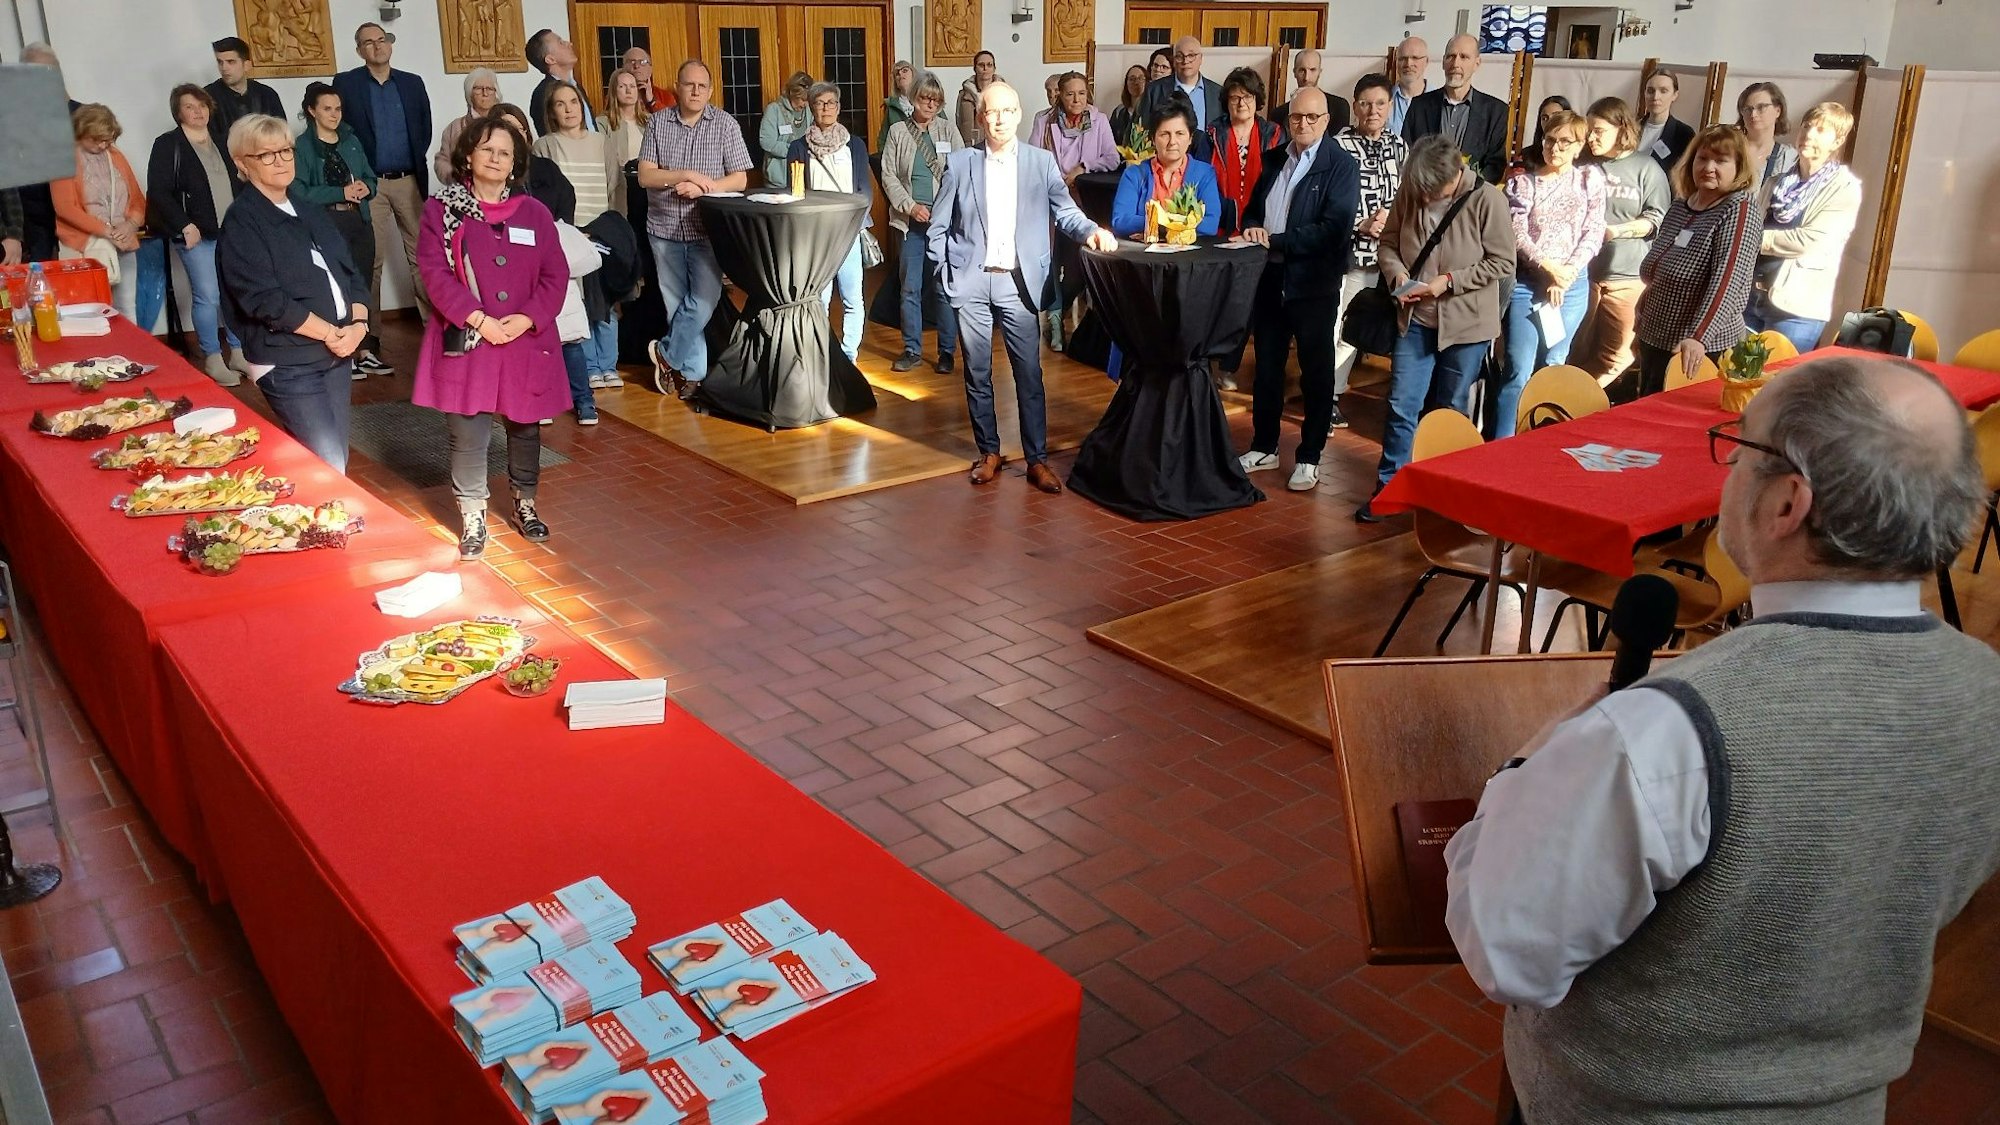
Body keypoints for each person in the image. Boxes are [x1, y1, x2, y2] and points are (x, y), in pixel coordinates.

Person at [1445, 352, 2000, 1124]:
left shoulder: (1670, 731)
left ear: (1788, 502)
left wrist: (1524, 768)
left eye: (1739, 447)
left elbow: (1507, 950)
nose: (1729, 466)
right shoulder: (1987, 691)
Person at [927, 80, 1116, 493]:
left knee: (1029, 373)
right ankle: (989, 452)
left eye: (1007, 111)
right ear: (981, 118)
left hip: (1019, 283)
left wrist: (1091, 231)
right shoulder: (959, 163)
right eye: (991, 112)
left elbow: (1065, 212)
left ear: (1018, 114)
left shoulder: (1040, 162)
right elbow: (938, 226)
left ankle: (1036, 460)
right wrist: (945, 274)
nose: (999, 119)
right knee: (977, 373)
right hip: (971, 281)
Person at [416, 115, 570, 559]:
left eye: (505, 152)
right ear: (468, 155)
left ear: (515, 163)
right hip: (470, 337)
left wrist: (527, 319)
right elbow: (434, 273)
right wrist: (479, 319)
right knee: (467, 431)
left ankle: (525, 504)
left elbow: (555, 275)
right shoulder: (441, 210)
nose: (496, 158)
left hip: (524, 339)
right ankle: (473, 515)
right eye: (487, 149)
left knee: (525, 427)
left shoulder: (535, 213)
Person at [1358, 134, 1514, 522]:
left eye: (1433, 192)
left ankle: (1444, 494)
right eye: (1419, 191)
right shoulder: (1412, 190)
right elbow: (1388, 244)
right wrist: (1397, 276)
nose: (1424, 199)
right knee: (1401, 405)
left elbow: (1502, 262)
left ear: (1455, 175)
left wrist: (1450, 281)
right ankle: (1390, 490)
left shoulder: (1487, 200)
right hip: (1414, 320)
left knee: (1451, 408)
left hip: (1467, 326)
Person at [216, 114, 369, 473]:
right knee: (328, 462)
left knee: (336, 460)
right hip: (288, 359)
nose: (281, 160)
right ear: (242, 163)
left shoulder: (307, 208)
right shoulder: (243, 221)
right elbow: (265, 300)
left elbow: (350, 272)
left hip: (337, 351)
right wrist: (331, 333)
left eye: (285, 150)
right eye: (266, 154)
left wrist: (359, 326)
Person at [1234, 88, 1360, 493]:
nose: (1302, 124)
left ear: (1326, 121)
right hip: (1270, 280)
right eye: (1295, 117)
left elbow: (1333, 230)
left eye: (1311, 117)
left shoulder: (1341, 166)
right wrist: (1252, 227)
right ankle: (1264, 447)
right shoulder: (1274, 158)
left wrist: (1275, 241)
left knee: (1316, 373)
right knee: (1267, 369)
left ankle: (1309, 457)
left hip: (1313, 285)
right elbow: (1253, 210)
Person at [639, 60, 752, 401]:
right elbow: (646, 176)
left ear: (711, 90)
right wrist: (685, 174)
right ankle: (693, 374)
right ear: (677, 87)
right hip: (664, 227)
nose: (696, 91)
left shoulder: (725, 124)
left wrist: (704, 188)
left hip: (706, 229)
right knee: (676, 303)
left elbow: (740, 178)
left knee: (704, 300)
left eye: (702, 86)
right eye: (689, 84)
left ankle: (666, 354)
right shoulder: (658, 122)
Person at [1492, 108, 1603, 439]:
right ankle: (1502, 446)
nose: (1555, 147)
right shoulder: (1523, 184)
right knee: (1518, 369)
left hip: (1572, 286)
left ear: (1580, 145)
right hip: (1529, 285)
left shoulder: (1590, 179)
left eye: (1565, 142)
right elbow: (1517, 235)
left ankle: (1540, 443)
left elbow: (1594, 230)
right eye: (1550, 140)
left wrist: (1566, 273)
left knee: (1554, 363)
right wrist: (1550, 270)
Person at [1632, 125, 1761, 398]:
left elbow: (1727, 282)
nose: (1708, 167)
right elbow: (1657, 272)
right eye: (1702, 158)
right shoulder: (1681, 206)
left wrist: (1699, 336)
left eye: (1721, 160)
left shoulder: (1739, 209)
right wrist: (1641, 327)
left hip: (1701, 350)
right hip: (1656, 340)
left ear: (1738, 168)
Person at [147, 85, 251, 387]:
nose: (198, 111)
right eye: (189, 107)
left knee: (233, 293)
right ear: (178, 112)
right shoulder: (169, 144)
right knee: (208, 296)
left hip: (229, 231)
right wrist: (184, 225)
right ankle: (213, 358)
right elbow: (159, 192)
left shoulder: (222, 140)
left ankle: (238, 353)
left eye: (202, 105)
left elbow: (240, 183)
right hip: (195, 234)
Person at [1744, 102, 1862, 355]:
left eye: (1820, 130)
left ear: (1837, 141)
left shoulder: (1844, 187)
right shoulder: (1776, 182)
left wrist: (1753, 239)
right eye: (1806, 127)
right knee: (1736, 375)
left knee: (1779, 378)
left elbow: (1809, 241)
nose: (1809, 134)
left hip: (1796, 309)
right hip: (1750, 297)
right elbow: (1750, 224)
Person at [333, 23, 433, 322]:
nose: (377, 46)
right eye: (368, 42)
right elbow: (340, 130)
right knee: (371, 259)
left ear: (390, 43)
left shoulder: (412, 83)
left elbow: (424, 127)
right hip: (370, 184)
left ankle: (434, 330)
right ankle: (369, 334)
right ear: (359, 50)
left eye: (382, 39)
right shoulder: (346, 84)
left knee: (422, 256)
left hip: (408, 181)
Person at [1571, 96, 1668, 386]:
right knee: (1574, 350)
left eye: (1599, 131)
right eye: (1588, 130)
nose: (1591, 137)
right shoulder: (1582, 165)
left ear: (1621, 129)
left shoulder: (1646, 168)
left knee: (1617, 355)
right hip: (1582, 275)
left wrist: (1616, 231)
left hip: (1627, 278)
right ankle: (1565, 397)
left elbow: (1657, 220)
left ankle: (1581, 400)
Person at [1329, 74, 1409, 418]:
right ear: (1355, 106)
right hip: (1346, 252)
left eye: (1380, 103)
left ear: (1390, 106)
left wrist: (1390, 220)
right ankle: (1325, 397)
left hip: (1386, 254)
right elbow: (1328, 201)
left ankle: (1336, 391)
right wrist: (1361, 223)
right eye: (1365, 103)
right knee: (1336, 326)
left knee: (1360, 328)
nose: (1372, 111)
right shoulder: (1338, 145)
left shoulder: (1399, 146)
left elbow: (1408, 196)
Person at [535, 85, 624, 391]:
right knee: (579, 301)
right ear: (552, 111)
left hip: (600, 231)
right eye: (560, 104)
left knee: (605, 302)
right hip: (568, 233)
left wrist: (611, 228)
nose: (569, 109)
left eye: (573, 102)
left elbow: (614, 187)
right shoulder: (545, 145)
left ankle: (608, 365)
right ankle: (589, 367)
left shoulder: (601, 142)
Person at [293, 82, 383, 382]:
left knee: (362, 283)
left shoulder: (351, 140)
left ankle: (364, 350)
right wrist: (339, 192)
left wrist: (366, 187)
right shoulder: (303, 146)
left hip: (358, 220)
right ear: (312, 111)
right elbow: (299, 191)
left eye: (338, 109)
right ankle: (341, 350)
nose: (334, 114)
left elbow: (371, 178)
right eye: (327, 109)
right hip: (327, 223)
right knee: (335, 286)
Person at [881, 71, 963, 374]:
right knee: (910, 288)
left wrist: (943, 211)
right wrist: (910, 206)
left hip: (943, 224)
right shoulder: (898, 131)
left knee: (942, 288)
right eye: (925, 98)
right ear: (914, 98)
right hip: (910, 224)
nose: (930, 104)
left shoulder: (948, 130)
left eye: (935, 100)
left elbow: (961, 172)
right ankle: (912, 350)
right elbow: (888, 175)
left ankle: (946, 352)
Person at [1030, 70, 1118, 352]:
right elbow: (1033, 158)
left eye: (1081, 93)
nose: (1076, 99)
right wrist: (1056, 178)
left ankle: (1061, 307)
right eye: (1070, 94)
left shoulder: (1099, 120)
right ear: (1060, 95)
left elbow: (1112, 157)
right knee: (1051, 262)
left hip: (1084, 202)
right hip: (1049, 200)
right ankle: (1055, 321)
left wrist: (1084, 168)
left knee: (1078, 267)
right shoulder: (1044, 121)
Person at [788, 82, 871, 364]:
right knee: (819, 299)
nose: (826, 108)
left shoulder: (855, 145)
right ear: (811, 108)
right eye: (819, 103)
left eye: (831, 103)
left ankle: (848, 357)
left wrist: (855, 222)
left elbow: (864, 191)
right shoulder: (798, 148)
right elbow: (796, 193)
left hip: (848, 234)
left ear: (839, 107)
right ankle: (821, 355)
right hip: (816, 237)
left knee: (852, 299)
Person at [51, 104, 146, 322]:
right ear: (81, 132)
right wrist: (107, 231)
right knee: (88, 312)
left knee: (127, 309)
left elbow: (138, 200)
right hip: (85, 245)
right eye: (97, 140)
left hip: (124, 242)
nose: (103, 145)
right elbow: (64, 208)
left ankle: (128, 346)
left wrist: (130, 225)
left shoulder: (116, 156)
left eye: (108, 140)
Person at [1401, 35, 1509, 184]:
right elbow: (1406, 154)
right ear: (1443, 62)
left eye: (1464, 57)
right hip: (1425, 192)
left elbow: (1495, 165)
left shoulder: (1496, 112)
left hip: (1472, 194)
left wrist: (1467, 188)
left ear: (1477, 64)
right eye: (1450, 56)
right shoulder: (1419, 106)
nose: (1455, 64)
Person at [1110, 98, 1222, 240]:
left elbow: (1211, 224)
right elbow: (1120, 221)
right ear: (1153, 138)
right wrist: (1179, 223)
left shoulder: (1204, 173)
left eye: (1180, 133)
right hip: (1143, 253)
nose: (1172, 142)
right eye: (1164, 134)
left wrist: (1158, 223)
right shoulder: (1134, 174)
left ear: (1190, 138)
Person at [1208, 68, 1284, 238]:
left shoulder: (1274, 134)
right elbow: (1204, 183)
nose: (1241, 103)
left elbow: (1279, 182)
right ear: (1227, 102)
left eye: (1248, 96)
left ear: (1257, 99)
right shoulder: (1212, 134)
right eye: (1235, 98)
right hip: (1220, 225)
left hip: (1262, 227)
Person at [1138, 38, 1224, 161]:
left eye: (1191, 56)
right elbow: (1142, 130)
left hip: (1207, 162)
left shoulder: (1217, 93)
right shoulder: (1154, 90)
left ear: (1201, 58)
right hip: (1164, 161)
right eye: (1179, 56)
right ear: (1174, 60)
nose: (1185, 61)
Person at [493, 104, 575, 225]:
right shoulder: (491, 169)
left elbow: (566, 198)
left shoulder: (546, 167)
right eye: (509, 128)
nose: (516, 134)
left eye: (520, 129)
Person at [205, 36, 284, 143]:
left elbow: (281, 134)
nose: (224, 68)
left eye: (231, 62)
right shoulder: (207, 97)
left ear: (246, 65)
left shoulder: (267, 95)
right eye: (220, 62)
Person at [435, 69, 502, 186]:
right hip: (463, 189)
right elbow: (442, 161)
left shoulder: (506, 124)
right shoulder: (454, 127)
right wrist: (457, 179)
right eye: (478, 89)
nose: (485, 93)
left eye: (490, 89)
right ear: (469, 93)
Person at [526, 28, 597, 137]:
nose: (569, 44)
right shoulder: (543, 93)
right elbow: (549, 136)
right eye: (561, 43)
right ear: (550, 59)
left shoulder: (575, 86)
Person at [1270, 49, 1350, 141]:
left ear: (1319, 72)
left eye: (1312, 70)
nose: (1307, 78)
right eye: (1302, 70)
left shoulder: (1339, 107)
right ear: (1294, 72)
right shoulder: (1278, 114)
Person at [1736, 81, 1797, 192]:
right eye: (1748, 109)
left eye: (1761, 107)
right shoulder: (1730, 150)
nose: (1753, 114)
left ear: (1778, 111)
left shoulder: (1788, 157)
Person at [759, 73, 813, 187]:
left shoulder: (809, 111)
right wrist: (794, 151)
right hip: (779, 179)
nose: (805, 104)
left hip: (804, 178)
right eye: (802, 99)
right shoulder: (774, 110)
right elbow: (766, 142)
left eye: (808, 100)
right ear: (792, 93)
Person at [1638, 67, 1695, 173]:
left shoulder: (1684, 134)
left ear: (1675, 95)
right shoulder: (1631, 128)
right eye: (1650, 91)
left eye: (1663, 91)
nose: (1655, 97)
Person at [1516, 95, 1571, 171]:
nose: (1549, 122)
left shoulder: (1577, 156)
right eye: (1544, 118)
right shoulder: (1525, 156)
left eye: (1556, 117)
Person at [957, 51, 998, 149]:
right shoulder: (964, 94)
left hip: (994, 146)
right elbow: (958, 120)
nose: (985, 68)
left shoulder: (1002, 93)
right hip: (969, 147)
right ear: (975, 68)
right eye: (981, 65)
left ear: (994, 69)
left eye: (989, 65)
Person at [1389, 36, 1429, 135]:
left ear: (1426, 61)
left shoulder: (1440, 102)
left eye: (1415, 58)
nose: (1408, 64)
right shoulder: (1384, 101)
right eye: (1402, 58)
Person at [623, 48, 675, 114]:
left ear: (650, 69)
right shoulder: (616, 95)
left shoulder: (665, 96)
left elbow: (671, 119)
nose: (636, 66)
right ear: (623, 68)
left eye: (642, 62)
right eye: (632, 62)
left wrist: (652, 101)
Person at [878, 60, 915, 149]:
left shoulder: (927, 99)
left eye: (904, 70)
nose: (900, 74)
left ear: (914, 75)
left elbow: (943, 128)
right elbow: (883, 140)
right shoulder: (892, 107)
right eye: (897, 74)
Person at [1111, 66, 1148, 142]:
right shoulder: (1119, 112)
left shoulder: (1151, 111)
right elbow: (1111, 140)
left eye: (1140, 78)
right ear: (1126, 83)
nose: (1136, 82)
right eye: (1132, 79)